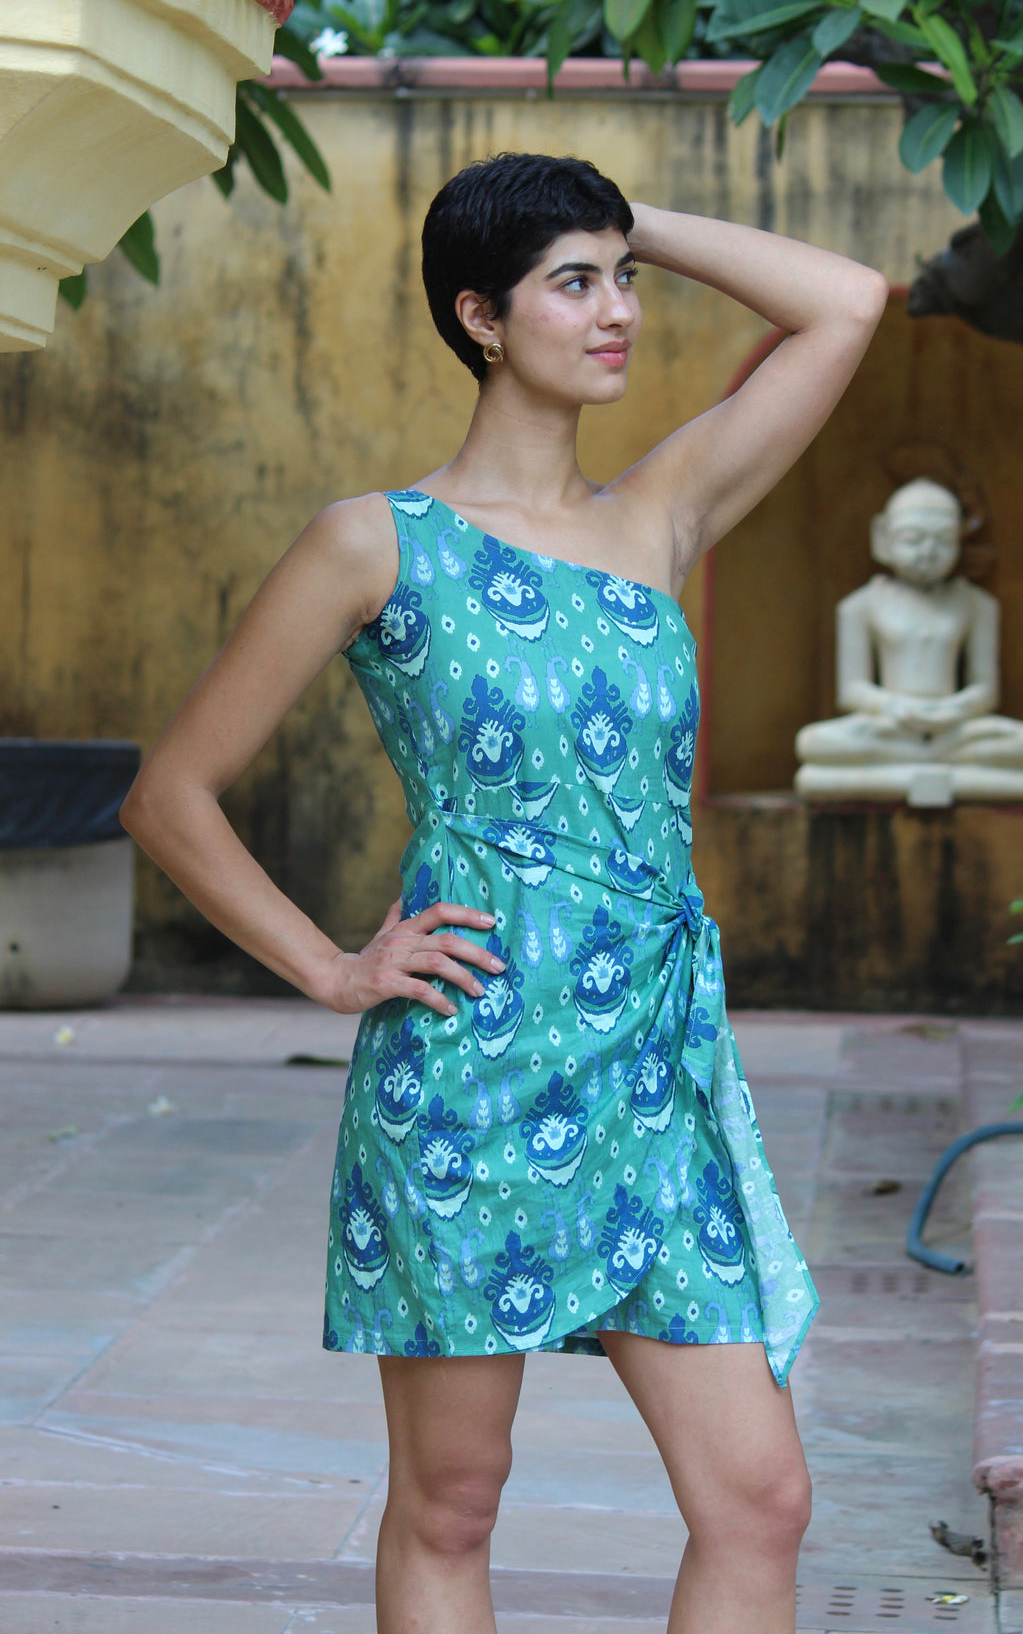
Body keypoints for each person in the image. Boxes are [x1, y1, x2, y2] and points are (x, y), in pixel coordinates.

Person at [121, 151, 887, 1634]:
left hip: (656, 1073)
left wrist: (617, 213)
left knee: (760, 1498)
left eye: (624, 281)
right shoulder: (377, 541)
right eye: (573, 283)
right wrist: (333, 968)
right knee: (454, 1502)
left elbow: (846, 303)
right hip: (471, 1069)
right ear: (480, 315)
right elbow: (172, 795)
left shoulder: (659, 514)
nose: (618, 312)